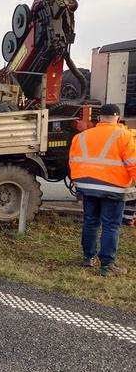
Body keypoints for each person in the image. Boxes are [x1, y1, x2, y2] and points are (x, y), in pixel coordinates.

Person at [69, 103, 136, 277]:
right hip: (113, 187)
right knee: (111, 225)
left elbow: (73, 161)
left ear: (98, 118)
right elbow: (133, 164)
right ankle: (107, 265)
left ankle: (88, 258)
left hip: (87, 186)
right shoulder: (125, 136)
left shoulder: (81, 136)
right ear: (118, 118)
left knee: (90, 221)